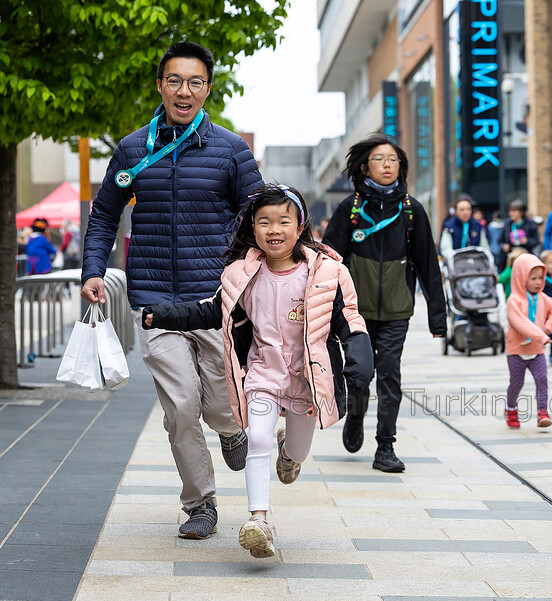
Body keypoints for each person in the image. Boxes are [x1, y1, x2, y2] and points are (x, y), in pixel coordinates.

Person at [81, 41, 263, 539]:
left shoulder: (230, 150)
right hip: (156, 302)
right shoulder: (133, 148)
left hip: (215, 300)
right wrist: (93, 270)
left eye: (196, 82)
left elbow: (257, 219)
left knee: (222, 403)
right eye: (175, 81)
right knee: (181, 407)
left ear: (207, 89)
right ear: (161, 85)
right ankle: (200, 503)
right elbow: (104, 215)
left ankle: (231, 429)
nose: (185, 90)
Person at [141, 185, 373, 558]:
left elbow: (349, 319)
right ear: (253, 228)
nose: (274, 229)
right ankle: (258, 520)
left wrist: (359, 357)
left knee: (296, 451)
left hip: (307, 381)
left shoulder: (328, 272)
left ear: (300, 227)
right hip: (263, 376)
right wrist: (163, 315)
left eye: (284, 220)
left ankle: (290, 452)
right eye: (264, 222)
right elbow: (210, 311)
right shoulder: (241, 274)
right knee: (258, 441)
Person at [323, 135, 446, 472]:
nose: (388, 165)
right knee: (361, 373)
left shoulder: (412, 211)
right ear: (365, 166)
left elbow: (428, 265)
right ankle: (355, 415)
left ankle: (386, 447)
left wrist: (438, 318)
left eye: (393, 160)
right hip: (354, 312)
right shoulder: (350, 209)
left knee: (390, 373)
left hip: (397, 310)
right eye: (380, 159)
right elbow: (327, 261)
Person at [504, 252, 552, 429]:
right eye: (533, 278)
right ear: (521, 278)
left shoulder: (544, 298)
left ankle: (542, 412)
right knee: (516, 383)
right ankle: (510, 408)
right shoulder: (514, 301)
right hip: (516, 351)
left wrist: (548, 328)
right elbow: (519, 323)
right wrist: (541, 336)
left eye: (540, 278)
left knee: (542, 379)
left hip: (537, 350)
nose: (538, 282)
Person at [439, 193, 490, 257]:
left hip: (475, 263)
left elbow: (485, 248)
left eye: (468, 209)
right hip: (455, 263)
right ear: (456, 211)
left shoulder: (477, 225)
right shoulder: (449, 226)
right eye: (462, 209)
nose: (465, 212)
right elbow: (446, 249)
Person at [500, 199, 539, 266]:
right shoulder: (507, 224)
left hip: (526, 257)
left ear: (522, 212)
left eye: (514, 211)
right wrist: (504, 246)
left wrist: (527, 241)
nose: (511, 213)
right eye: (510, 211)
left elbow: (536, 241)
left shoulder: (530, 224)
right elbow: (500, 241)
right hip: (510, 258)